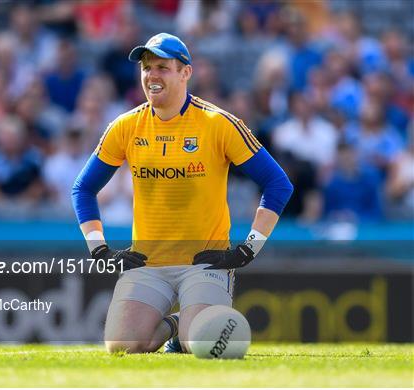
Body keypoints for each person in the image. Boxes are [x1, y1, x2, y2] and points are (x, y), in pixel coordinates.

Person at [72, 33, 293, 354]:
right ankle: (177, 324)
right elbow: (83, 188)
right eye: (147, 68)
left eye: (162, 67)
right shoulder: (125, 126)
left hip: (205, 264)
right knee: (121, 347)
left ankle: (186, 331)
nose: (152, 76)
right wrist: (99, 249)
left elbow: (278, 184)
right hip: (148, 263)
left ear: (185, 72)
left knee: (203, 344)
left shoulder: (218, 123)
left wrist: (249, 249)